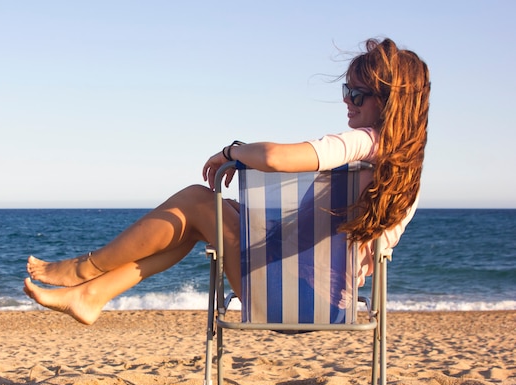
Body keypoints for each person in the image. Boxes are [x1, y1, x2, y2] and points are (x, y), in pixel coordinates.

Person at [24, 37, 430, 325]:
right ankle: (91, 295)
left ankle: (84, 270)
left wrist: (234, 150)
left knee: (200, 201)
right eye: (346, 90)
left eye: (356, 94)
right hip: (328, 305)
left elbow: (275, 158)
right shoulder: (404, 169)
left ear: (388, 100)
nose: (346, 100)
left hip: (292, 301)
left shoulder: (366, 142)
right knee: (198, 221)